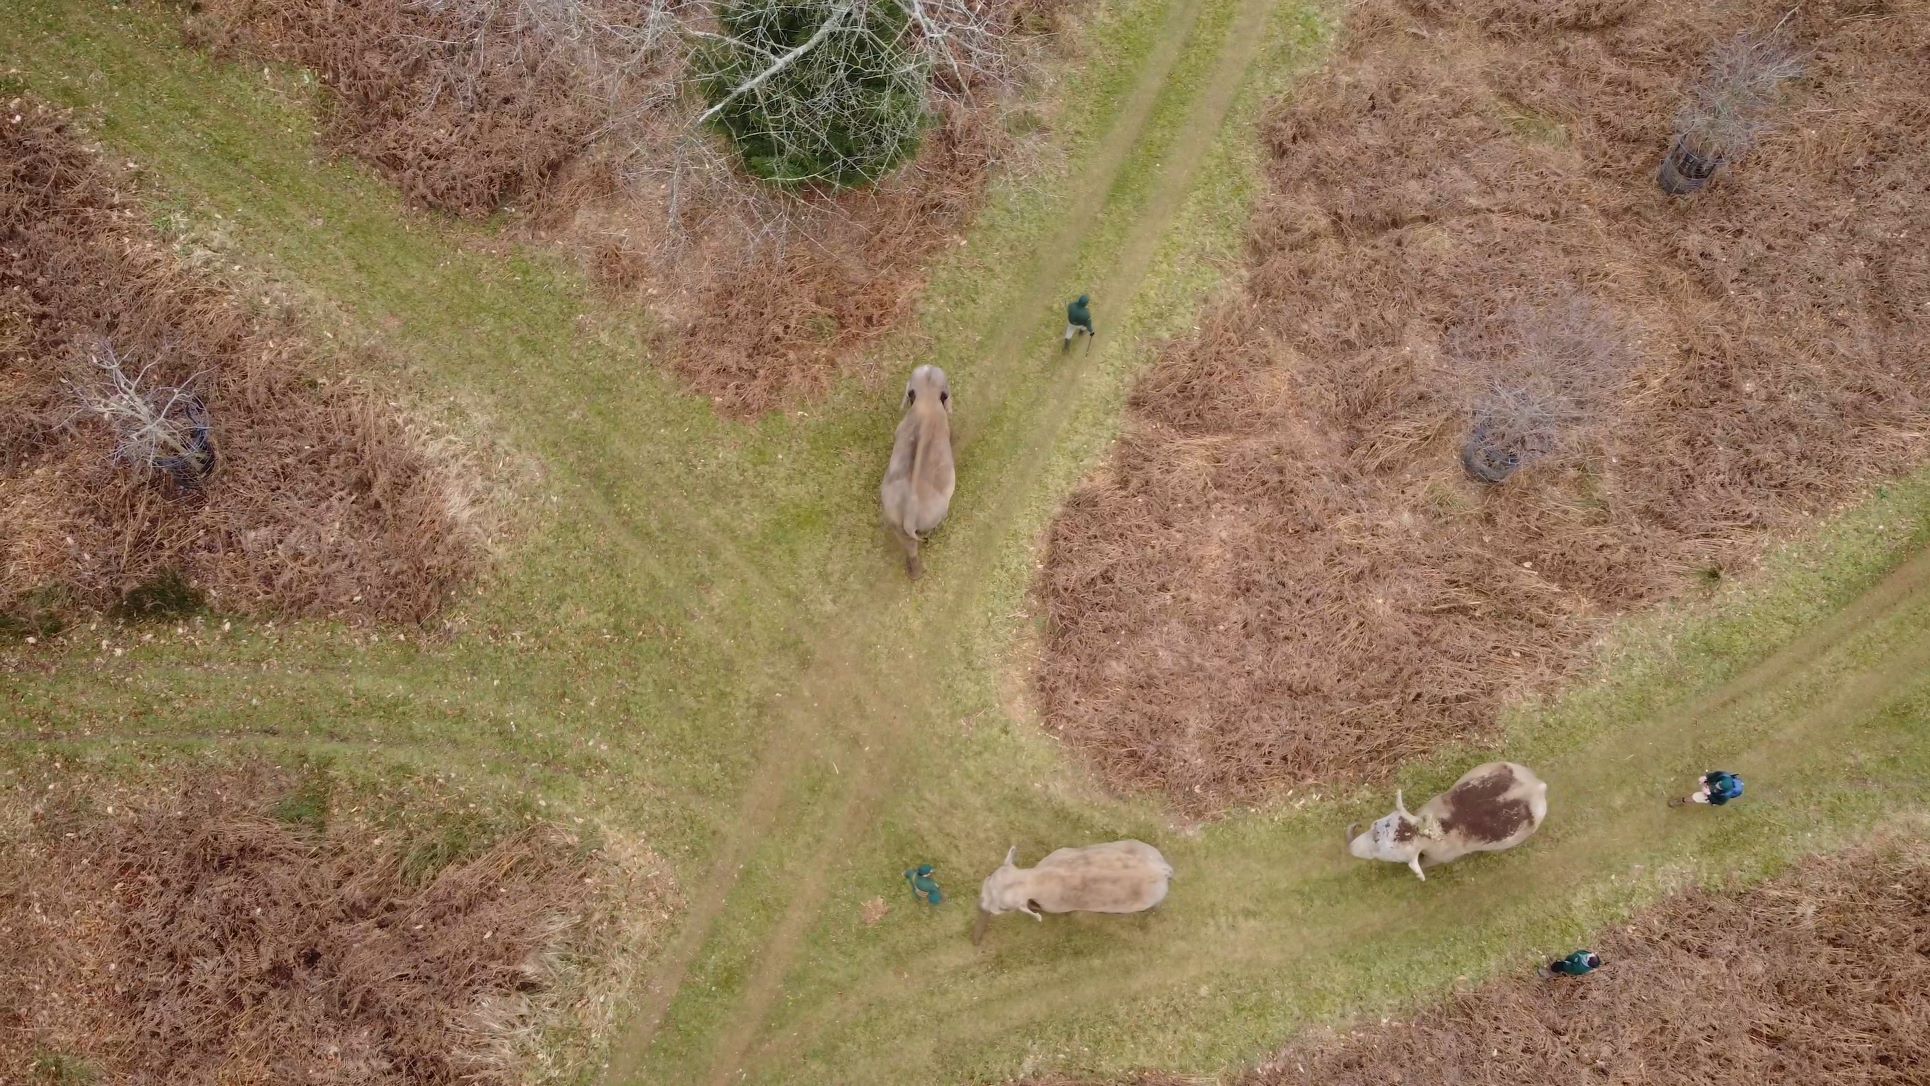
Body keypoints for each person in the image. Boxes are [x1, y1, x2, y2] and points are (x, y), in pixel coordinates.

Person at [1670, 770, 1744, 807]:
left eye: (1719, 787)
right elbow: (1714, 775)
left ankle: (1682, 801)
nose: (1717, 786)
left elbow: (1719, 802)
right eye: (1718, 784)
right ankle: (1683, 801)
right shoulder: (1723, 775)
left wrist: (1708, 794)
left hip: (1712, 795)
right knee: (1708, 786)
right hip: (1711, 788)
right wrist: (1706, 778)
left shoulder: (1725, 796)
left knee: (1696, 797)